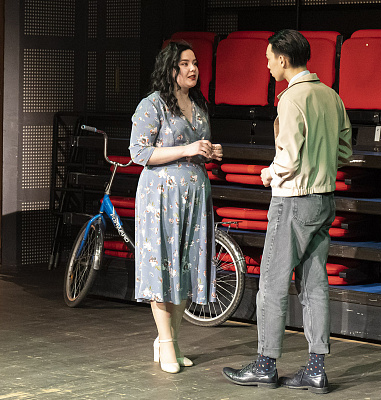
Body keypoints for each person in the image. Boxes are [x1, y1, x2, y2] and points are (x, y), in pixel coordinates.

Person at [222, 30, 352, 393]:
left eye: (269, 58)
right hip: (324, 199)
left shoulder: (292, 98)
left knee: (271, 284)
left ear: (283, 59)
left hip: (294, 200)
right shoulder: (331, 96)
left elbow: (289, 159)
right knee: (314, 285)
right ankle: (315, 369)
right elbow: (344, 151)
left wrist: (270, 172)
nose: (267, 65)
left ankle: (265, 365)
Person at [129, 41, 223, 374]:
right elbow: (140, 153)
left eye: (194, 62)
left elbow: (195, 147)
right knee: (162, 267)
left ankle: (172, 339)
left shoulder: (198, 104)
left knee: (187, 267)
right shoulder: (152, 104)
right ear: (171, 69)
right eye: (185, 63)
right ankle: (166, 342)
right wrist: (187, 149)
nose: (192, 69)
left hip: (194, 197)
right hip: (161, 198)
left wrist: (209, 152)